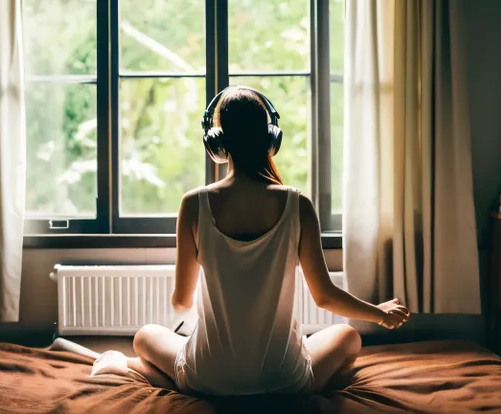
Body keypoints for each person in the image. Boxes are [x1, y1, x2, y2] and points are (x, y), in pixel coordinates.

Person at [50, 85, 410, 396]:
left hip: (207, 377)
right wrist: (379, 314)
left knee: (145, 336)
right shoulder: (297, 204)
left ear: (217, 143)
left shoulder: (195, 203)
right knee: (348, 339)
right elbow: (325, 296)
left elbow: (180, 301)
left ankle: (123, 365)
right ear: (271, 139)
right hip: (284, 378)